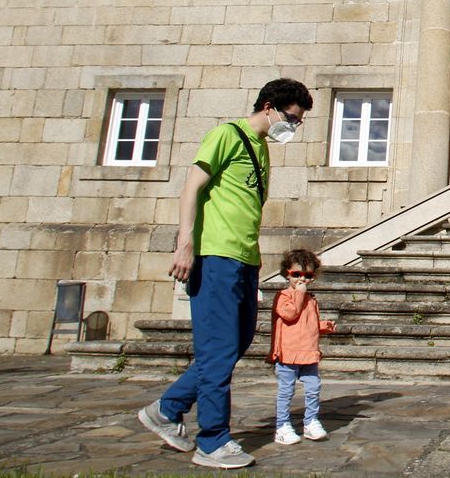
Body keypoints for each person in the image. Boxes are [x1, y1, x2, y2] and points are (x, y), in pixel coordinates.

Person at [137, 78, 313, 469]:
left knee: (235, 343)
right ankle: (213, 440)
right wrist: (185, 244)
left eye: (298, 123)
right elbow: (191, 188)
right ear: (269, 106)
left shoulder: (261, 150)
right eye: (291, 118)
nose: (293, 127)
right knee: (217, 350)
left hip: (244, 261)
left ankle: (167, 410)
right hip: (215, 256)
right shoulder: (226, 135)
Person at [268, 248, 336, 445]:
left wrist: (323, 327)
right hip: (288, 353)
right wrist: (298, 294)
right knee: (286, 390)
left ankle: (311, 421)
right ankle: (282, 425)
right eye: (296, 275)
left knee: (314, 387)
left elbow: (307, 324)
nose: (301, 280)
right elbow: (290, 314)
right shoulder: (283, 297)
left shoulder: (310, 299)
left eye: (307, 275)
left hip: (308, 352)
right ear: (286, 274)